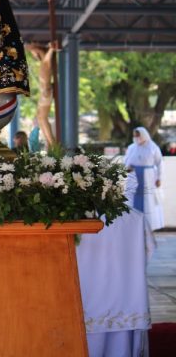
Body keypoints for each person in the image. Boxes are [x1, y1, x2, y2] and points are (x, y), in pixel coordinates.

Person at [77, 153, 154, 357]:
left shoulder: (74, 221)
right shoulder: (136, 219)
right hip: (125, 293)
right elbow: (149, 249)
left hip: (88, 296)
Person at [124, 126, 165, 231]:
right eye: (135, 136)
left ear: (143, 135)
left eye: (138, 135)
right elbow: (126, 161)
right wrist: (127, 168)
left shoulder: (153, 147)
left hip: (148, 177)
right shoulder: (132, 147)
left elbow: (160, 163)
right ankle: (133, 225)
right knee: (132, 199)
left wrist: (159, 178)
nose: (136, 138)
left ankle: (148, 225)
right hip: (134, 177)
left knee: (148, 200)